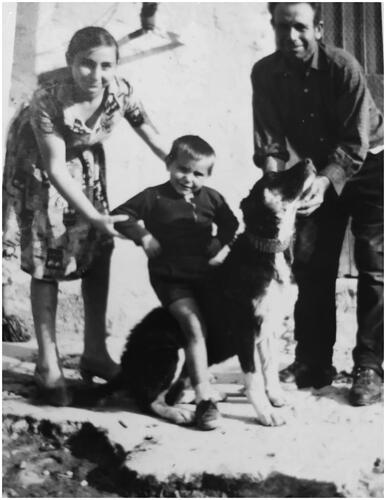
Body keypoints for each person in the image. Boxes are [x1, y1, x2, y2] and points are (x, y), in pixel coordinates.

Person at [2, 26, 168, 406]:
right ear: (70, 64)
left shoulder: (120, 92)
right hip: (42, 171)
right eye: (86, 65)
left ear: (116, 66)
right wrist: (94, 214)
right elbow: (56, 168)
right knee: (48, 257)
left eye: (105, 65)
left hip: (88, 167)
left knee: (99, 249)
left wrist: (186, 169)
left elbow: (157, 139)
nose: (96, 75)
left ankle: (95, 351)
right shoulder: (46, 101)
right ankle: (48, 363)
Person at [251, 3, 383, 405]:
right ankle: (312, 361)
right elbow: (270, 140)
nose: (290, 36)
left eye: (300, 27)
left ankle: (370, 365)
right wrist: (274, 186)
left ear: (320, 28)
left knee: (375, 266)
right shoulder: (265, 72)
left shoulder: (343, 66)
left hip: (369, 166)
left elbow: (353, 142)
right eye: (281, 27)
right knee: (310, 264)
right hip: (315, 172)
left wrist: (326, 180)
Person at [112, 135, 239, 429]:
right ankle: (204, 397)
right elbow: (120, 215)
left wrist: (217, 244)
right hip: (170, 278)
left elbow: (231, 223)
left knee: (210, 330)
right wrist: (143, 237)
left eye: (198, 173)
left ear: (207, 176)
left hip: (204, 278)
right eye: (182, 169)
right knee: (193, 325)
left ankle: (186, 383)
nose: (188, 178)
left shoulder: (212, 198)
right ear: (169, 164)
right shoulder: (154, 196)